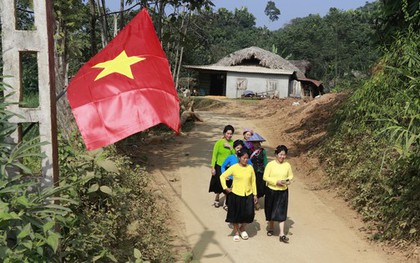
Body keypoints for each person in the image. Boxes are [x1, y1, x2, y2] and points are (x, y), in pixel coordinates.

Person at [220, 149, 257, 241]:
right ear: (239, 158)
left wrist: (255, 194)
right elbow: (222, 176)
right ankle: (236, 232)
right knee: (236, 214)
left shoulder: (250, 167)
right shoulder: (234, 167)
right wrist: (225, 188)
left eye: (247, 158)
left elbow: (253, 181)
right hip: (236, 194)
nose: (245, 160)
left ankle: (242, 228)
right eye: (244, 158)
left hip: (248, 194)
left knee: (249, 214)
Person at [263, 145, 294, 243]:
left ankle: (282, 234)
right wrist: (276, 182)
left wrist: (287, 181)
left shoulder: (287, 165)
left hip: (283, 191)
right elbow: (265, 177)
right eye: (280, 154)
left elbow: (290, 176)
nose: (282, 157)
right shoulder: (270, 164)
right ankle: (271, 227)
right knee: (271, 209)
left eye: (284, 155)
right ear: (276, 154)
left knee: (281, 210)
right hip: (271, 190)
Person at [221, 140, 253, 210]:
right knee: (229, 193)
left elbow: (251, 166)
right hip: (231, 179)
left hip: (241, 180)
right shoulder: (230, 157)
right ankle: (226, 204)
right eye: (237, 148)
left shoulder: (246, 158)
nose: (239, 150)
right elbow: (223, 166)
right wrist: (225, 175)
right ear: (234, 148)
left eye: (240, 148)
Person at [210, 125, 235, 208]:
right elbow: (214, 156)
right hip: (219, 166)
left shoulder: (232, 143)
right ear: (224, 133)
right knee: (218, 183)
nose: (229, 135)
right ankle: (217, 198)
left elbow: (235, 155)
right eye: (228, 133)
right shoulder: (219, 143)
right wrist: (212, 167)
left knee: (228, 184)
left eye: (231, 134)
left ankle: (226, 202)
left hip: (229, 167)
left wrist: (230, 147)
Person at [247, 132, 268, 210]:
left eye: (258, 142)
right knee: (251, 186)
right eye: (255, 142)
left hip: (260, 172)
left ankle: (256, 200)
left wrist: (266, 170)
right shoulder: (249, 151)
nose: (257, 144)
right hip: (251, 171)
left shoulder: (263, 151)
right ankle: (252, 201)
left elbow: (265, 161)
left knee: (260, 187)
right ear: (252, 143)